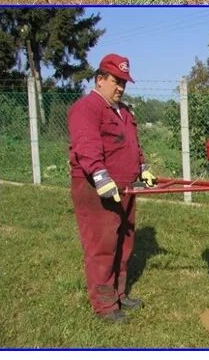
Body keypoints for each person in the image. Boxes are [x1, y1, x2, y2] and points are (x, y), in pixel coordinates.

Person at [67, 54, 157, 323]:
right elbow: (86, 145)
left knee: (124, 243)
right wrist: (101, 176)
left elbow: (132, 145)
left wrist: (143, 167)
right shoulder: (87, 108)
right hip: (96, 188)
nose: (120, 87)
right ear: (99, 80)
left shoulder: (124, 112)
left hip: (126, 187)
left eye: (124, 83)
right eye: (115, 81)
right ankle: (105, 305)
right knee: (102, 246)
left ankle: (119, 294)